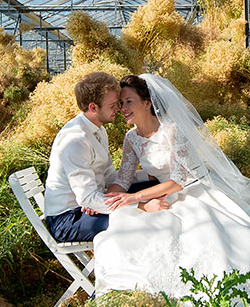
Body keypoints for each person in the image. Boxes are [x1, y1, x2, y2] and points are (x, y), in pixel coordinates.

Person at [94, 73, 250, 299]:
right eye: (120, 104)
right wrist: (98, 200)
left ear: (147, 103)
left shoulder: (171, 129)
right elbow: (123, 179)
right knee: (134, 232)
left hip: (194, 189)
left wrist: (134, 198)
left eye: (128, 102)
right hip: (164, 195)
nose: (122, 108)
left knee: (208, 240)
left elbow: (179, 180)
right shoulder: (131, 138)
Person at [43, 71, 167, 243]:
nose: (119, 108)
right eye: (112, 105)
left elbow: (110, 176)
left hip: (94, 202)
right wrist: (141, 206)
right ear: (93, 108)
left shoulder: (99, 129)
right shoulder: (74, 140)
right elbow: (87, 198)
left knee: (158, 187)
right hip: (70, 218)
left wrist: (149, 176)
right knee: (141, 218)